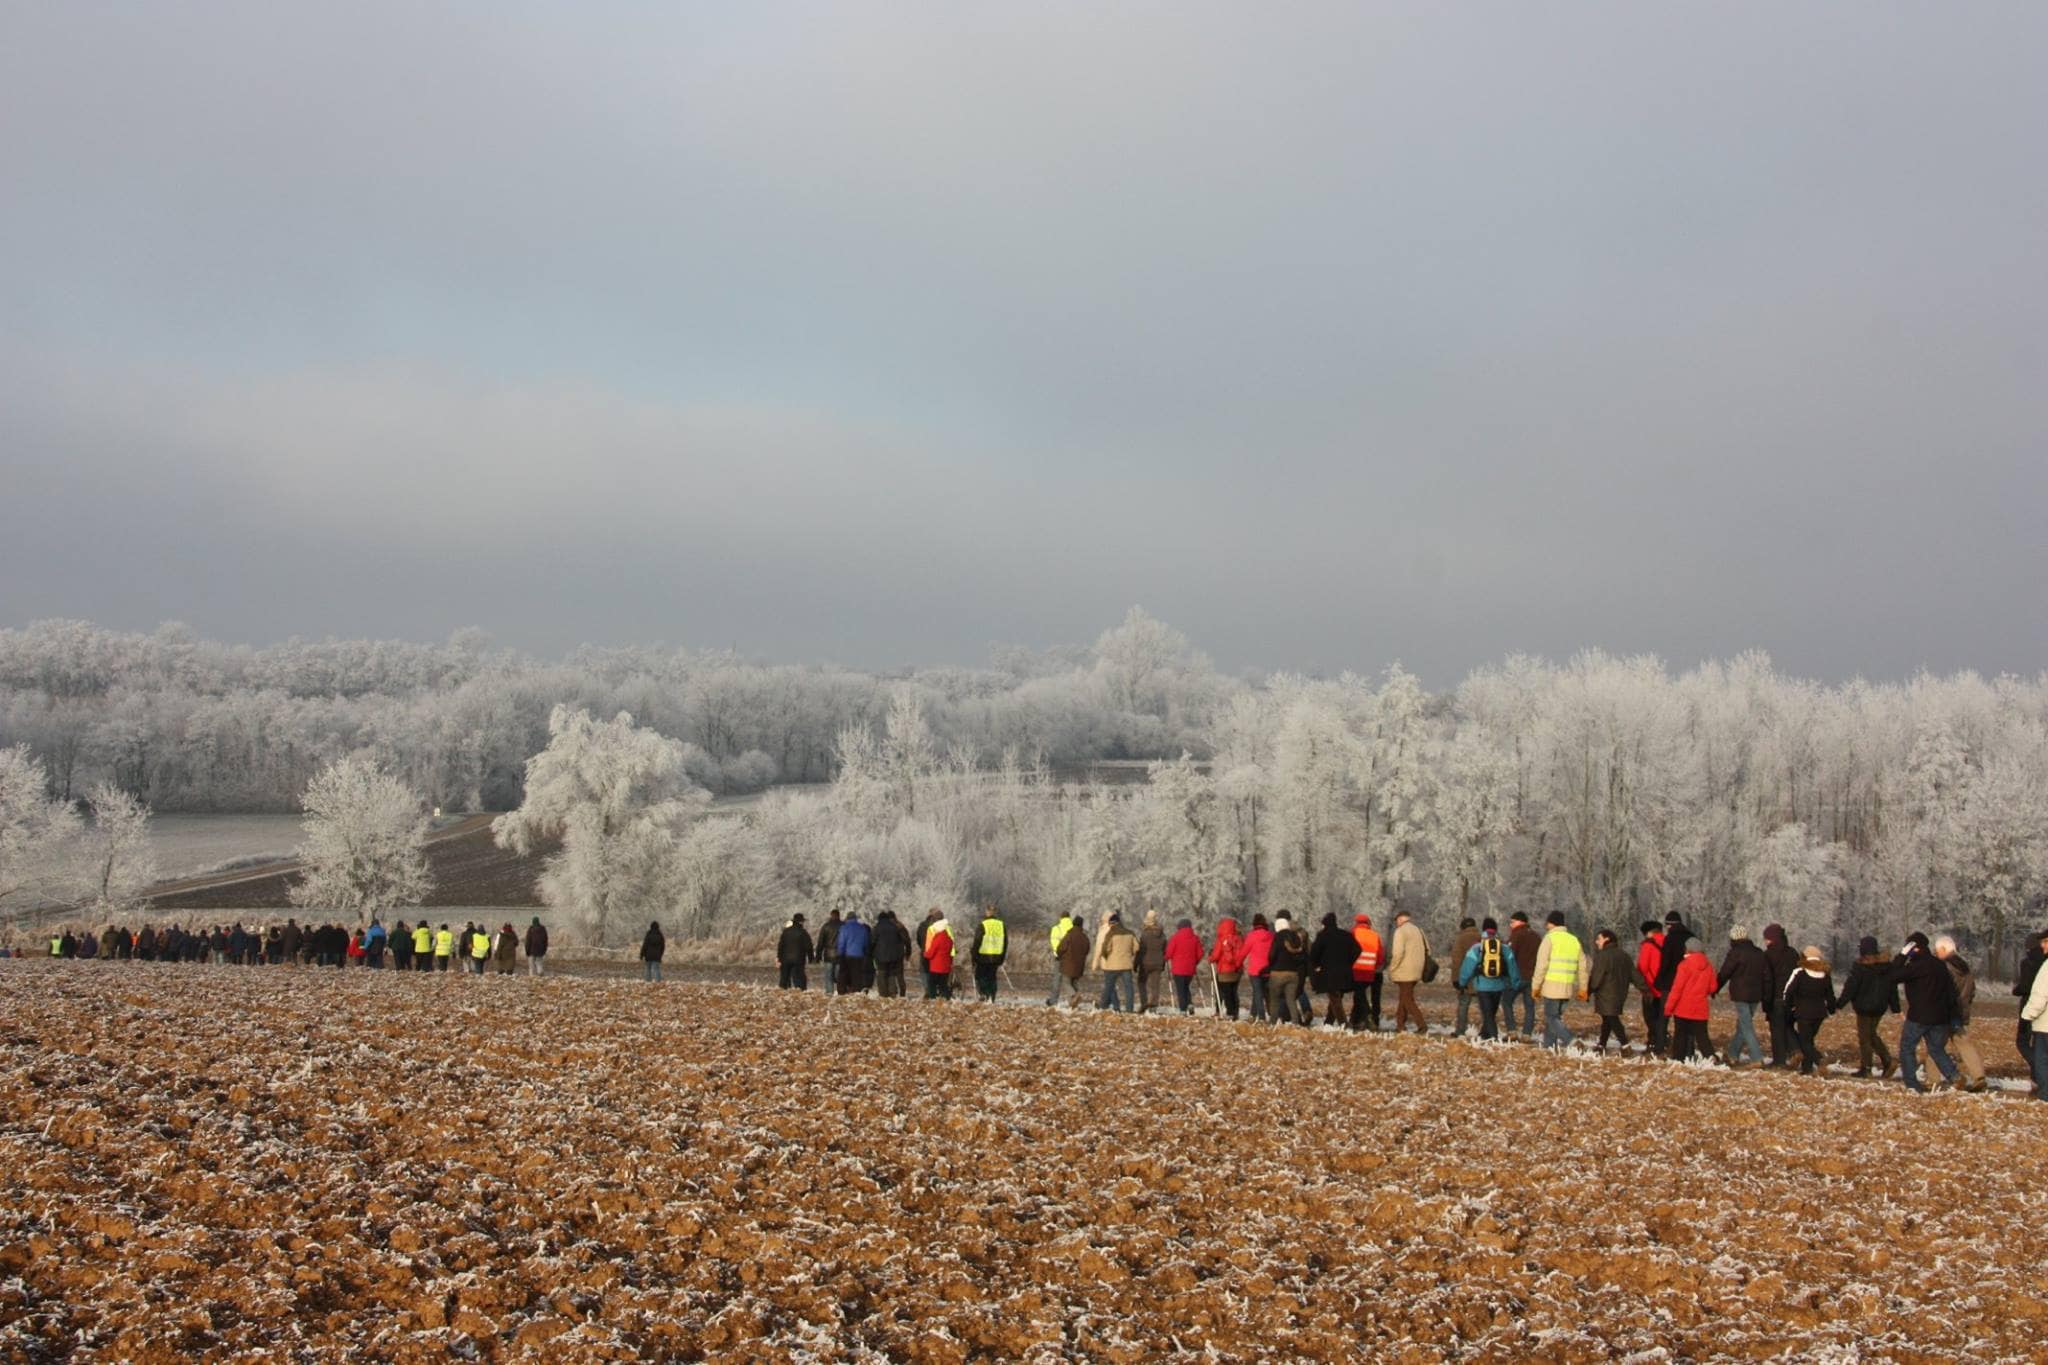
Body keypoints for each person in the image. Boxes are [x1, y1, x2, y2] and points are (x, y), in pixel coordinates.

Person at [1885, 933, 1960, 1093]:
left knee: (1907, 1047)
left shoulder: (1915, 966)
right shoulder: (1939, 965)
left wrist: (1902, 956)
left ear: (1913, 948)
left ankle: (1912, 1083)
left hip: (1919, 1016)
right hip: (1940, 1017)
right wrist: (1953, 1016)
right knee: (1936, 1049)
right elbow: (1951, 993)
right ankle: (1955, 1076)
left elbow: (1891, 976)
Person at [1835, 935, 1898, 1078]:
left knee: (1865, 1037)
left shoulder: (1860, 967)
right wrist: (1895, 1008)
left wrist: (1840, 1004)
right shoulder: (1886, 966)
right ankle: (1887, 1061)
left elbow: (1851, 987)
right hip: (1880, 1007)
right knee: (1871, 1034)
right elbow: (1892, 988)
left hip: (1863, 1007)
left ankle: (1867, 1067)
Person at [1932, 936, 1987, 1092]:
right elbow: (1972, 990)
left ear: (1944, 949)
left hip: (1945, 1013)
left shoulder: (1944, 967)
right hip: (1961, 1012)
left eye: (1937, 951)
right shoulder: (1964, 967)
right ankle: (1979, 1076)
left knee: (1934, 1046)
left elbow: (1942, 991)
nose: (1936, 954)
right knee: (1965, 1045)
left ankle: (1932, 1079)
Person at [1455, 918, 1523, 1041]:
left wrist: (1462, 982)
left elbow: (1467, 966)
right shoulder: (1504, 947)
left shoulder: (1477, 948)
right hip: (1499, 985)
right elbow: (1512, 966)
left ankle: (1493, 1037)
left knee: (1487, 1013)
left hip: (1482, 985)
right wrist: (1515, 982)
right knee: (1491, 1012)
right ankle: (1485, 1035)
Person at [1530, 911, 1589, 1050]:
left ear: (1552, 923)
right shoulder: (1574, 940)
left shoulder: (1549, 939)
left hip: (1551, 986)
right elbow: (1583, 967)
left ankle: (1571, 1040)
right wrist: (1583, 988)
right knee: (1555, 1018)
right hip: (1567, 987)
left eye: (1548, 922)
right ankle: (1548, 1046)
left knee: (1551, 1017)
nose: (1546, 925)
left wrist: (1536, 986)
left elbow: (1541, 965)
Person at [1716, 926, 1770, 1068]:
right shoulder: (1759, 953)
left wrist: (1714, 988)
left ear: (1733, 938)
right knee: (1743, 1025)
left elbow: (1724, 973)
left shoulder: (1735, 953)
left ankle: (1757, 1058)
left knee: (1746, 1026)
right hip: (1756, 995)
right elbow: (1766, 976)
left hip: (1740, 994)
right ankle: (1733, 1054)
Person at [1664, 938, 1719, 1063]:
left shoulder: (1684, 965)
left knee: (1680, 1035)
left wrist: (1669, 1007)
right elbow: (1713, 987)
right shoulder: (1708, 966)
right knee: (1702, 1036)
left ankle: (1678, 1058)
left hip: (1683, 1008)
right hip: (1701, 1007)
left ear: (1688, 949)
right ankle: (1710, 1056)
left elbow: (1677, 988)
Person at [1783, 946, 1835, 1075]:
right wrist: (1832, 1009)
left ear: (1804, 957)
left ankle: (1819, 1060)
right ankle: (1807, 1068)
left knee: (1804, 1042)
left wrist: (1789, 1006)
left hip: (1803, 1012)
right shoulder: (1825, 974)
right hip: (1820, 1013)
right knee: (1809, 1040)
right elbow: (1830, 996)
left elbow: (1788, 991)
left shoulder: (1799, 972)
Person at [1650, 912, 1692, 1054]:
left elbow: (1665, 962)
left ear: (1669, 925)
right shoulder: (1691, 937)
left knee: (1664, 1016)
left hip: (1669, 983)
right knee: (1684, 1018)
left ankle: (1660, 1047)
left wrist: (1658, 981)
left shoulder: (1670, 939)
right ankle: (1686, 1048)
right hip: (1687, 984)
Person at [1307, 913, 1359, 1026]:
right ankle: (1328, 1023)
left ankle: (1343, 1024)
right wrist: (1349, 962)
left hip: (1329, 973)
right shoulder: (1346, 935)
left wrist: (1316, 965)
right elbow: (1358, 950)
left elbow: (1314, 954)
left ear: (1324, 924)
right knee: (1336, 997)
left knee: (1335, 998)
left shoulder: (1322, 936)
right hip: (1345, 972)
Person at [1586, 929, 1633, 1050]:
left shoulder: (1602, 956)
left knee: (1612, 1018)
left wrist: (1588, 991)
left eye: (1599, 939)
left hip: (1606, 994)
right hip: (1620, 993)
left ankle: (1625, 1044)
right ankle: (1602, 1044)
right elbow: (1634, 974)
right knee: (1607, 1019)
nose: (1596, 942)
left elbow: (1596, 978)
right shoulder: (1624, 955)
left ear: (1607, 939)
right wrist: (1645, 989)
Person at [1760, 924, 1799, 1069]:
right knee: (1788, 1026)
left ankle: (1779, 1060)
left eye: (1767, 938)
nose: (1765, 941)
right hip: (1790, 996)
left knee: (1776, 1029)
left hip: (1775, 996)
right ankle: (1796, 1050)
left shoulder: (1768, 955)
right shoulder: (1792, 953)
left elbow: (1766, 979)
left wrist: (1766, 998)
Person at [1387, 911, 1429, 1035]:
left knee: (1407, 999)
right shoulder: (1418, 930)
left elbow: (1398, 953)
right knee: (1404, 997)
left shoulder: (1400, 932)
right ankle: (1400, 1025)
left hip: (1404, 970)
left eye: (1397, 920)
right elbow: (1428, 950)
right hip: (1417, 969)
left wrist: (1392, 968)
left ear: (1400, 919)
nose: (1396, 923)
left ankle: (1422, 1025)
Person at [1264, 916, 1310, 1026]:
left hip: (1278, 973)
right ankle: (1295, 1022)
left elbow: (1272, 955)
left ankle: (1272, 1023)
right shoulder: (1295, 936)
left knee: (1274, 1000)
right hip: (1293, 973)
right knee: (1291, 1000)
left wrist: (1271, 964)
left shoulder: (1277, 937)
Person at [2020, 927, 2048, 1099]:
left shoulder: (2047, 967)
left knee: (2042, 1061)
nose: (2043, 947)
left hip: (2045, 1025)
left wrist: (2027, 1016)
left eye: (2045, 942)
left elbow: (2040, 995)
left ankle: (2045, 1095)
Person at [2013, 927, 2047, 1069]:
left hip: (2031, 1006)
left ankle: (2038, 1071)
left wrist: (2016, 990)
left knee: (2022, 1042)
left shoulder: (2028, 962)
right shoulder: (2044, 961)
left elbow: (2027, 987)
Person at [1505, 913, 1540, 1040]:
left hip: (1517, 976)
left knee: (1507, 1001)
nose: (1511, 925)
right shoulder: (1536, 937)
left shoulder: (1516, 935)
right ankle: (1527, 1034)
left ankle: (1512, 1031)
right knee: (1529, 1006)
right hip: (1531, 977)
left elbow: (1509, 955)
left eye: (1512, 921)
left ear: (1520, 922)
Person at [1095, 912, 1139, 1013]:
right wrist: (1129, 954)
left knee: (1109, 986)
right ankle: (1129, 1009)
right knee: (1128, 988)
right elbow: (1137, 947)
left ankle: (1103, 1006)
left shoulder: (1110, 934)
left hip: (1112, 965)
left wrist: (1106, 956)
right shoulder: (1130, 933)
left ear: (1112, 923)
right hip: (1126, 964)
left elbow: (1105, 949)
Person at [1449, 917, 1482, 1037]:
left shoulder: (1460, 939)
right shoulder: (1483, 937)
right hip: (1482, 979)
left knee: (1463, 1005)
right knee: (1484, 1006)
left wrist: (1455, 979)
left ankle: (1460, 1030)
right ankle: (1487, 1030)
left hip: (1466, 979)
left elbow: (1457, 961)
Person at [1350, 913, 1383, 1033]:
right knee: (1360, 994)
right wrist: (1374, 964)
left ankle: (1366, 1015)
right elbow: (1380, 956)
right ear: (1368, 923)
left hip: (1356, 968)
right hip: (1370, 969)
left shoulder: (1353, 933)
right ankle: (1355, 1019)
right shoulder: (1374, 935)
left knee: (1359, 994)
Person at [1165, 918, 1204, 1014]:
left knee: (1180, 989)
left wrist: (1165, 957)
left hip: (1178, 968)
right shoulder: (1195, 938)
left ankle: (1183, 1009)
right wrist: (1195, 962)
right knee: (1186, 986)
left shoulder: (1175, 938)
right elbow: (1200, 954)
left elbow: (1169, 953)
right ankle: (1189, 1003)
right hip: (1190, 968)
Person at [1241, 914, 1274, 1023]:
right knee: (1260, 992)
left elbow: (1244, 952)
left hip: (1255, 969)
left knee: (1258, 993)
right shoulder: (1271, 936)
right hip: (1267, 969)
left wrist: (1237, 962)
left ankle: (1261, 1017)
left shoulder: (1252, 936)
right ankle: (1253, 1014)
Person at [1209, 916, 1244, 1019]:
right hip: (1237, 970)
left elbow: (1216, 955)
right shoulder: (1238, 938)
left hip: (1225, 970)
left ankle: (1229, 1012)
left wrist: (1210, 958)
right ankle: (1235, 1012)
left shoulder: (1222, 939)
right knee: (1233, 992)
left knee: (1225, 992)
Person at [971, 906, 1007, 1003]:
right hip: (996, 956)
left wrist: (974, 955)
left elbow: (977, 941)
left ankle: (984, 994)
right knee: (992, 977)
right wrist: (1002, 957)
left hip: (983, 956)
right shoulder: (1001, 925)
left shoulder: (982, 924)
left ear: (987, 912)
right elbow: (1005, 942)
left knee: (980, 976)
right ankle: (992, 996)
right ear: (995, 912)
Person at [871, 910, 910, 998]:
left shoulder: (877, 928)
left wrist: (871, 953)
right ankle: (893, 992)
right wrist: (907, 952)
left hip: (880, 956)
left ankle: (883, 993)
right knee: (891, 974)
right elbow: (905, 939)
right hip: (894, 955)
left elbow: (872, 942)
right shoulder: (895, 927)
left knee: (882, 974)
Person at [1135, 911, 1167, 1013]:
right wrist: (1163, 963)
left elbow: (1140, 951)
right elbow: (1165, 950)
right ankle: (1153, 1005)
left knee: (1141, 983)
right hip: (1158, 963)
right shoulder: (1162, 935)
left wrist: (1135, 964)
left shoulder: (1144, 935)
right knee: (1155, 986)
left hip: (1145, 963)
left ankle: (1144, 1003)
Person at [1056, 916, 1091, 1008]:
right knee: (1074, 982)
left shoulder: (1069, 935)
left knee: (1066, 982)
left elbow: (1061, 948)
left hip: (1068, 964)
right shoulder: (1084, 937)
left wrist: (1059, 956)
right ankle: (1073, 1003)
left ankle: (1074, 995)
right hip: (1079, 965)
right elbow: (1087, 950)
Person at [835, 911, 872, 995]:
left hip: (846, 955)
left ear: (847, 918)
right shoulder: (862, 928)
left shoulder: (844, 928)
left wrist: (840, 953)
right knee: (857, 974)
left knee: (843, 973)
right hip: (859, 955)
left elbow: (841, 942)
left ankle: (842, 991)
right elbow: (866, 942)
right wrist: (865, 952)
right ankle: (856, 991)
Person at [1046, 913, 1076, 1006]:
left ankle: (1053, 1000)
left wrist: (1058, 954)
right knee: (1070, 980)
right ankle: (1073, 999)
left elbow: (1054, 943)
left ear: (1060, 918)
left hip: (1060, 957)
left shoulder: (1056, 928)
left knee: (1057, 979)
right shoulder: (1074, 929)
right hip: (1071, 958)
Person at [924, 916, 955, 1000]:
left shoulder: (937, 939)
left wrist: (926, 954)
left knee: (932, 983)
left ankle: (932, 998)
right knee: (943, 984)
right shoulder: (949, 939)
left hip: (936, 966)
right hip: (946, 966)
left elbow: (931, 953)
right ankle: (946, 998)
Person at [777, 914, 811, 990]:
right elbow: (809, 946)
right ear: (801, 922)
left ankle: (783, 994)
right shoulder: (803, 932)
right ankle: (799, 993)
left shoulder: (786, 932)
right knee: (799, 979)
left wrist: (779, 957)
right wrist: (811, 958)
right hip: (799, 959)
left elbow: (781, 946)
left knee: (784, 979)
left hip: (785, 959)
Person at [816, 910, 842, 997]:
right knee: (839, 975)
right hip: (840, 954)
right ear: (839, 916)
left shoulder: (826, 926)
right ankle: (840, 991)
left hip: (828, 954)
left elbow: (820, 942)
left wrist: (818, 955)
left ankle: (829, 993)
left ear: (831, 916)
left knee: (828, 975)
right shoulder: (843, 926)